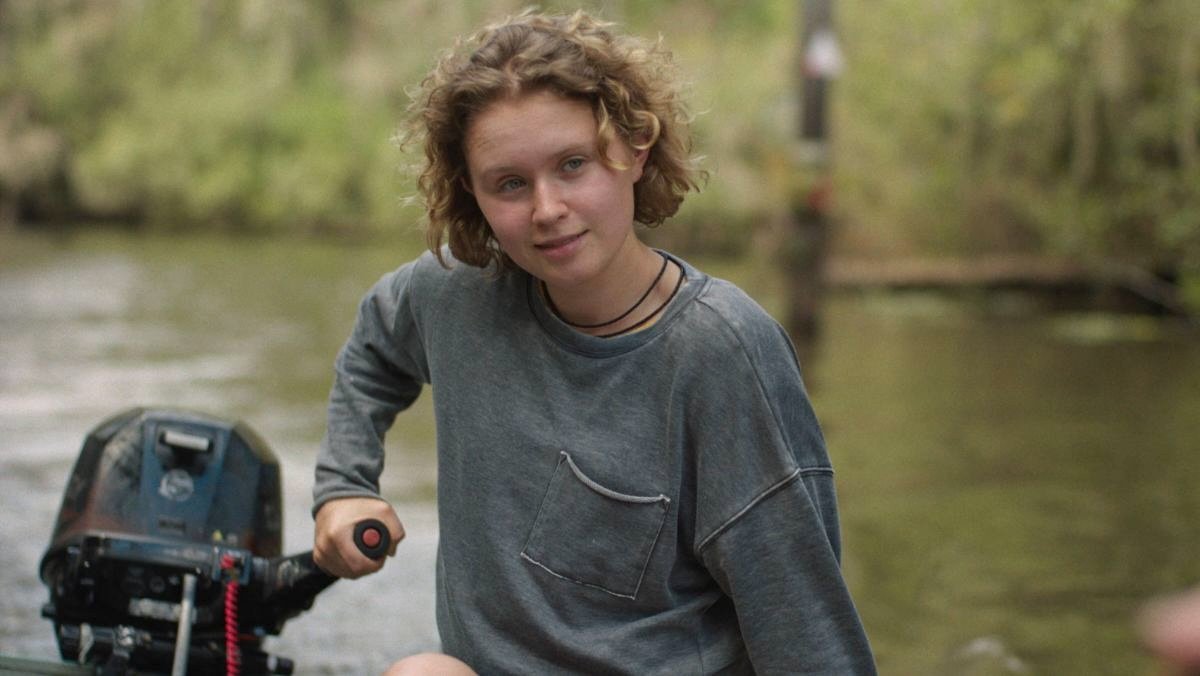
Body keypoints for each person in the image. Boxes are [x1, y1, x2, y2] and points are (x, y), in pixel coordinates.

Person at [312, 10, 875, 674]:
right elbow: (377, 345)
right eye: (510, 184)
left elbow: (804, 625)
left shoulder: (722, 354)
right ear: (473, 190)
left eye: (573, 165)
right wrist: (343, 485)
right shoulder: (452, 296)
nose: (547, 209)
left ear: (635, 147)